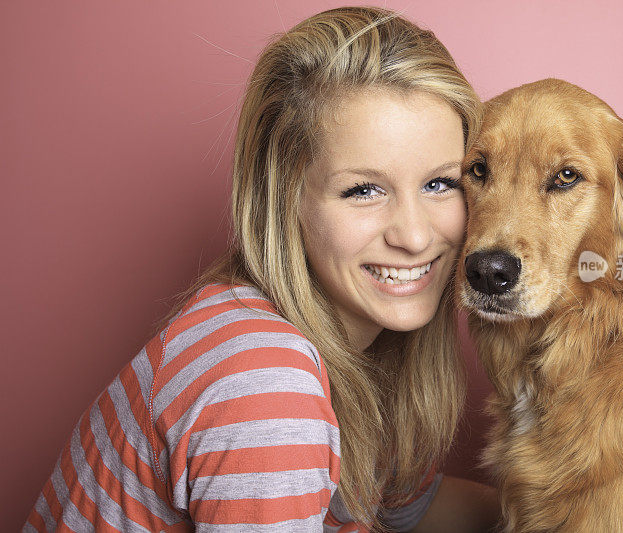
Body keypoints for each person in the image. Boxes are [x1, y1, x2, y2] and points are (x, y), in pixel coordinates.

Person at [24, 6, 500, 532]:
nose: (413, 236)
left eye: (440, 184)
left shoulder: (354, 346)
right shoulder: (264, 379)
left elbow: (408, 511)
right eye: (363, 190)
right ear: (285, 199)